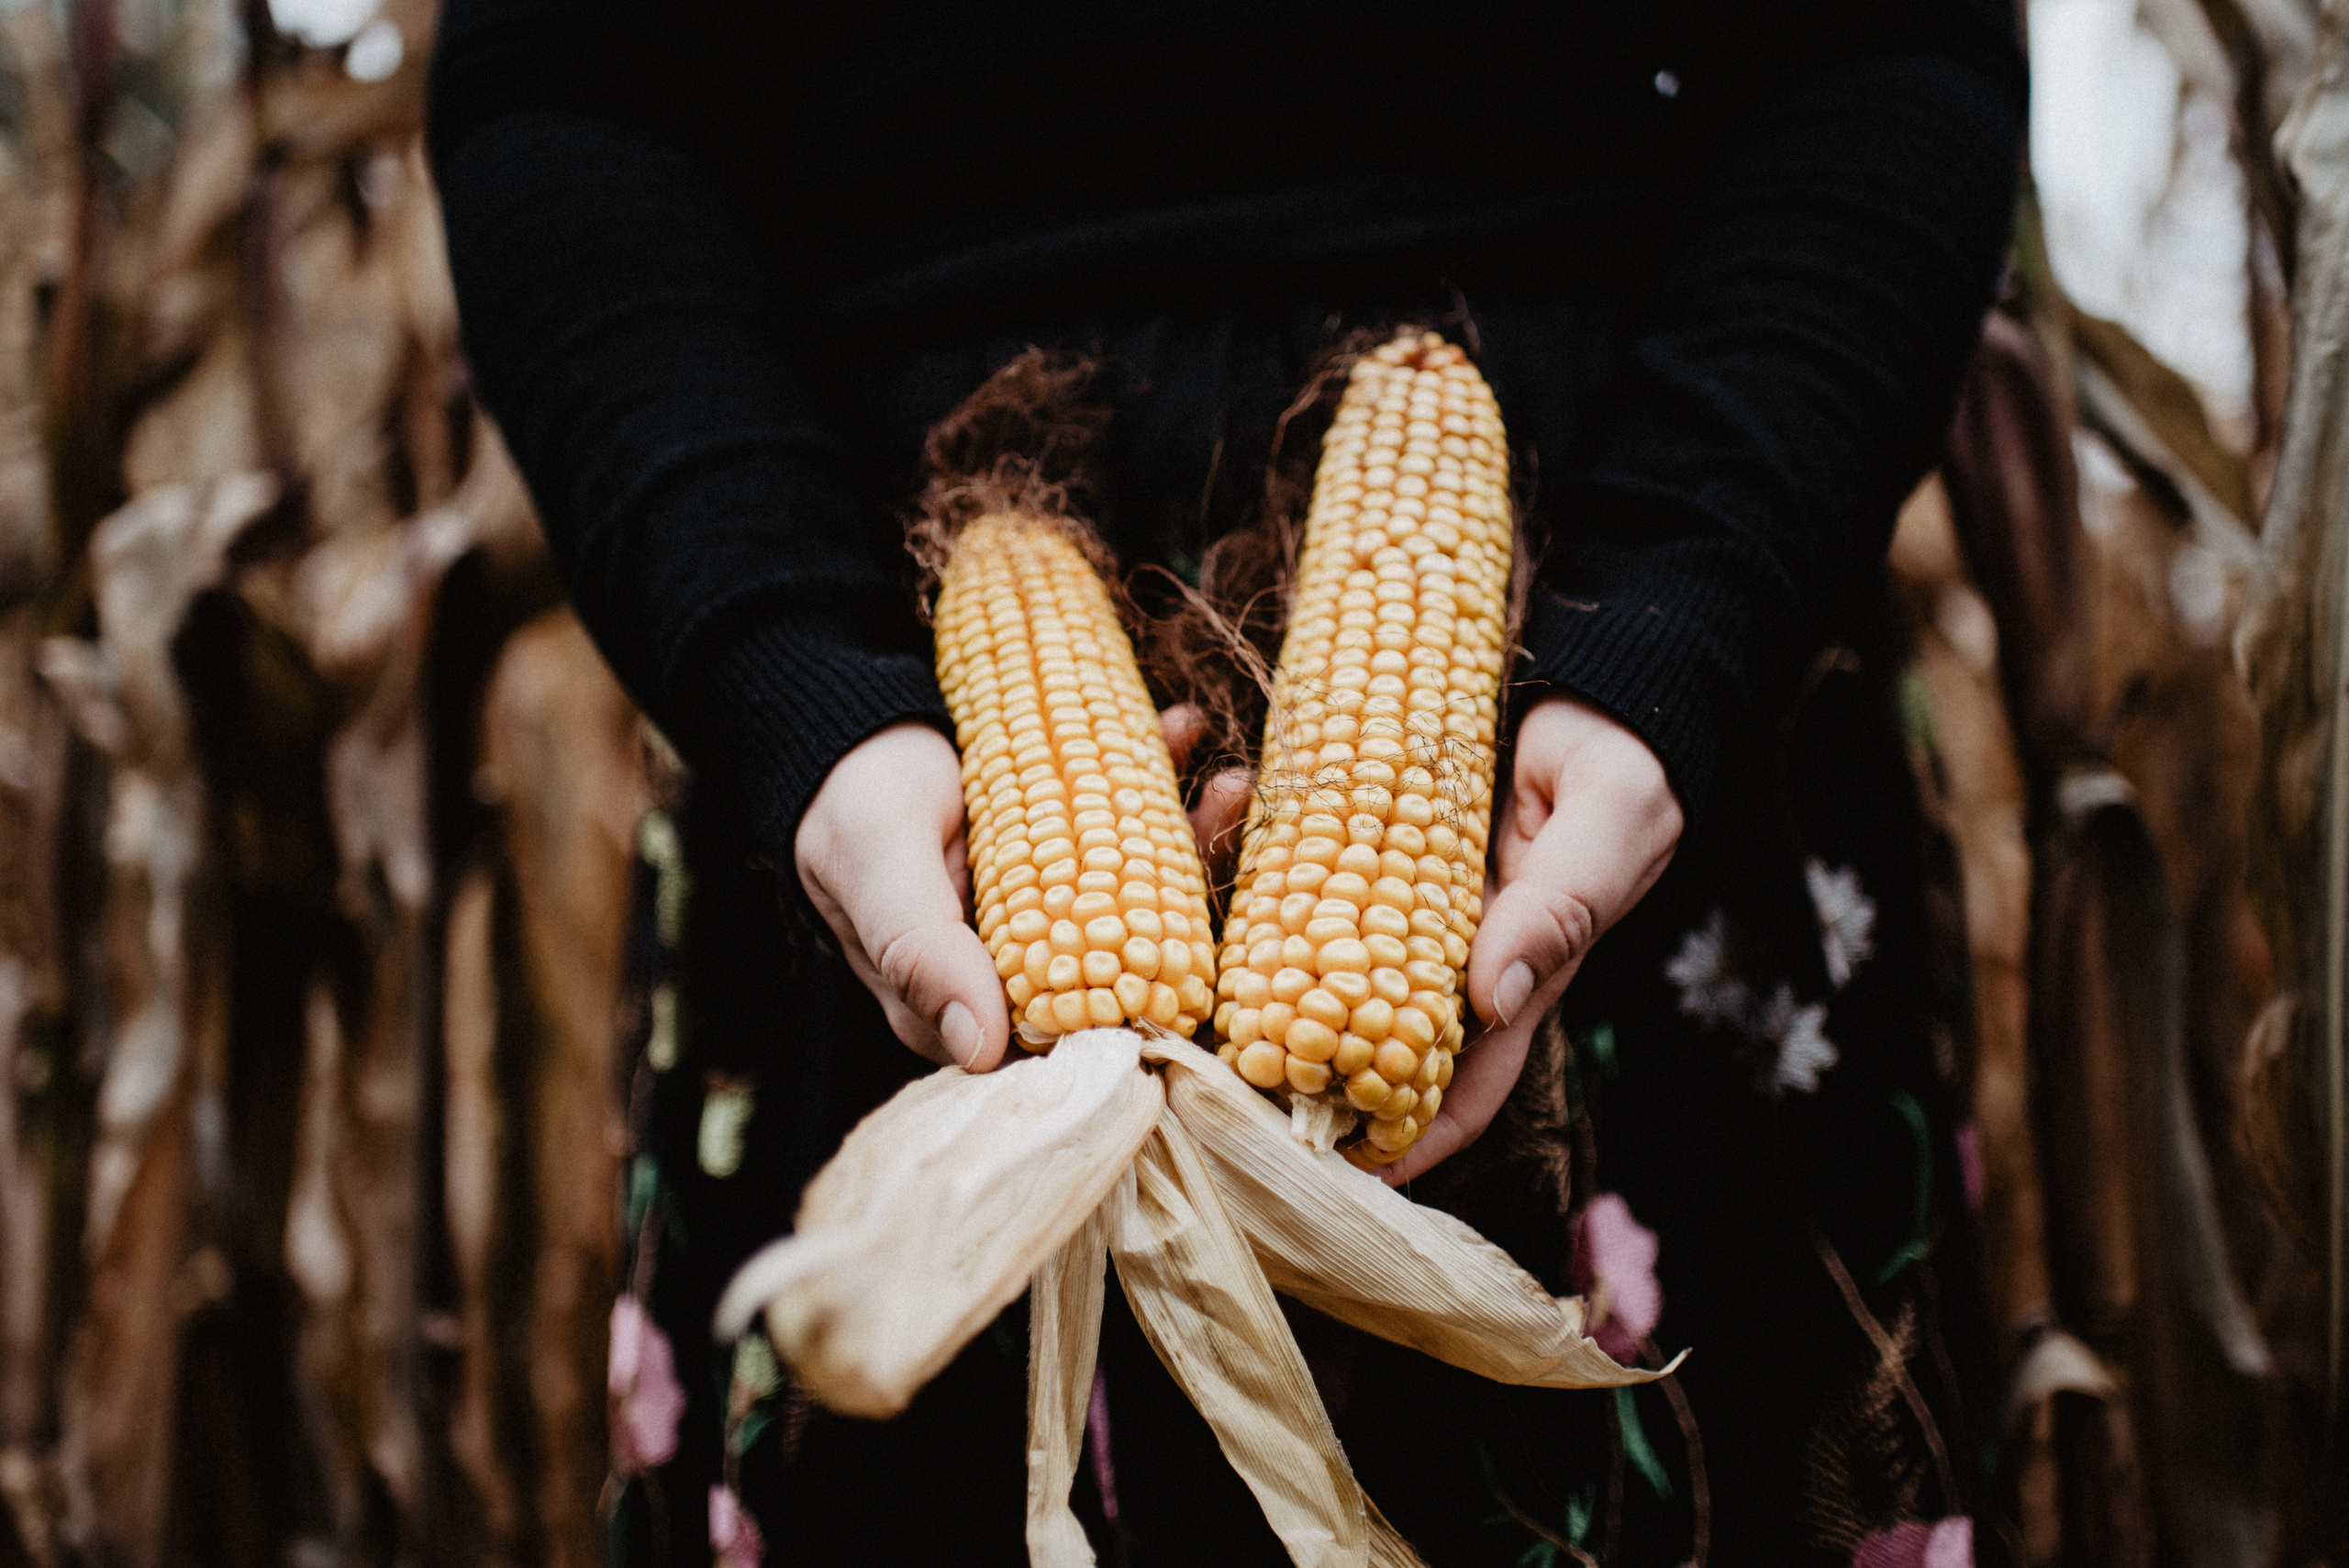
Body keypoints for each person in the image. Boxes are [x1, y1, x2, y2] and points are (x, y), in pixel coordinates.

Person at [428, 4, 2023, 1562]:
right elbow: (562, 77)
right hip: (886, 711)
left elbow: (1889, 43)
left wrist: (1690, 608)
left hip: (1619, 665)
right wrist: (792, 674)